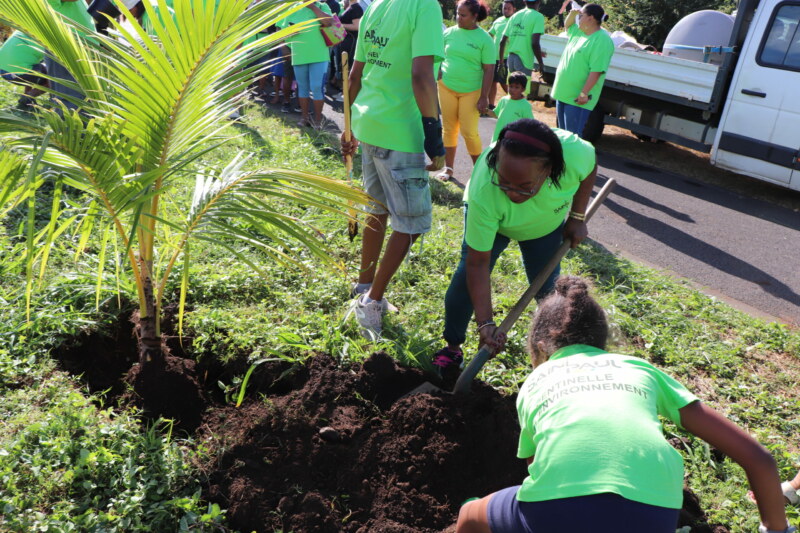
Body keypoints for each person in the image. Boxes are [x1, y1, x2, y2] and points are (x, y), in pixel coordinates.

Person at [455, 275, 796, 533]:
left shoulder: (537, 381)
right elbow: (760, 460)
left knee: (470, 514)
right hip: (654, 515)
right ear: (603, 341)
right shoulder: (640, 370)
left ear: (539, 346)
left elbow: (538, 468)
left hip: (557, 512)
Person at [432, 119, 595, 373]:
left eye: (524, 187)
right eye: (504, 181)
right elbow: (478, 263)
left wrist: (577, 217)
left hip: (544, 225)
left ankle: (557, 353)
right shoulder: (485, 188)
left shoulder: (575, 153)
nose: (511, 193)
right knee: (466, 277)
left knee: (549, 291)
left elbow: (590, 169)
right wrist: (485, 323)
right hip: (494, 222)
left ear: (550, 170)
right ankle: (452, 348)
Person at [340, 0, 446, 338]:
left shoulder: (378, 5)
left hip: (369, 123)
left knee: (376, 209)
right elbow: (421, 75)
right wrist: (435, 136)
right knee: (413, 223)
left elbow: (356, 74)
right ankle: (372, 300)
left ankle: (363, 285)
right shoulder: (424, 7)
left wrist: (349, 126)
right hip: (402, 130)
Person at [434, 0, 495, 182]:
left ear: (475, 16)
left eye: (463, 15)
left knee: (469, 131)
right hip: (446, 87)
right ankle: (449, 169)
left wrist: (484, 96)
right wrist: (437, 68)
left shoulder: (485, 39)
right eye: (457, 14)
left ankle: (479, 173)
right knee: (449, 129)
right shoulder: (449, 33)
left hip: (472, 91)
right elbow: (438, 54)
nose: (458, 18)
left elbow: (489, 69)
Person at [550, 3, 614, 138]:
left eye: (581, 16)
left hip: (577, 98)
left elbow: (596, 71)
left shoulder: (601, 40)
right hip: (563, 93)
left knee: (572, 137)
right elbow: (568, 26)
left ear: (591, 18)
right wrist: (572, 14)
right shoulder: (580, 32)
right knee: (562, 135)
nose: (579, 18)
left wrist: (584, 94)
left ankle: (570, 159)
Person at [278, 0, 334, 129]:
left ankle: (318, 121)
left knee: (316, 87)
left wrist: (312, 7)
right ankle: (304, 118)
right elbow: (282, 31)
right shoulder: (292, 8)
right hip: (299, 54)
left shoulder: (322, 6)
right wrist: (291, 32)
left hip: (319, 55)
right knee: (302, 87)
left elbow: (328, 22)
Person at [498, 0, 545, 86]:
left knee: (512, 93)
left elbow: (502, 42)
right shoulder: (538, 16)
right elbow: (535, 43)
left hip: (511, 59)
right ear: (538, 2)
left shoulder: (514, 16)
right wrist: (541, 63)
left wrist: (501, 64)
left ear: (524, 1)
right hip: (524, 61)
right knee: (521, 95)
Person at [0, 31, 47, 111]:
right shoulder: (45, 41)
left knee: (31, 66)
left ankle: (26, 99)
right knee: (56, 76)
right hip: (18, 73)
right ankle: (29, 96)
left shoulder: (21, 29)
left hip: (3, 71)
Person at [486, 0, 515, 107]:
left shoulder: (515, 22)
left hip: (507, 57)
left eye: (509, 8)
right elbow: (490, 35)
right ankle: (491, 105)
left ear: (514, 10)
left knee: (504, 82)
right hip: (494, 57)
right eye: (504, 8)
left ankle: (514, 102)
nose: (506, 10)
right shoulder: (498, 21)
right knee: (492, 82)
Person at [491, 71, 533, 142]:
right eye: (511, 86)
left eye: (517, 87)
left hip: (513, 142)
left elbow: (530, 125)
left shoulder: (526, 106)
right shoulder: (503, 100)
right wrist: (485, 110)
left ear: (523, 89)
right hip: (497, 139)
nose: (512, 90)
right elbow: (496, 114)